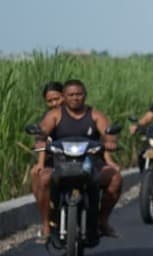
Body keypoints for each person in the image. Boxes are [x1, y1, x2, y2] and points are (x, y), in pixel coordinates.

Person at [35, 79, 124, 238]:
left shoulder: (95, 115)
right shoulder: (54, 115)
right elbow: (43, 133)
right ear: (64, 97)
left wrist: (110, 142)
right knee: (43, 179)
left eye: (79, 94)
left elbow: (108, 134)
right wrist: (40, 141)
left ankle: (102, 222)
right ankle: (46, 225)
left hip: (91, 164)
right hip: (60, 163)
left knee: (116, 179)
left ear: (85, 96)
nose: (75, 98)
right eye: (71, 95)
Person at [30, 81, 65, 238]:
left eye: (57, 99)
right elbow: (41, 139)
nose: (54, 103)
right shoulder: (48, 117)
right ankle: (46, 220)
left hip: (78, 159)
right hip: (54, 159)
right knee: (37, 175)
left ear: (64, 96)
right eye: (49, 101)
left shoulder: (78, 113)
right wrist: (40, 163)